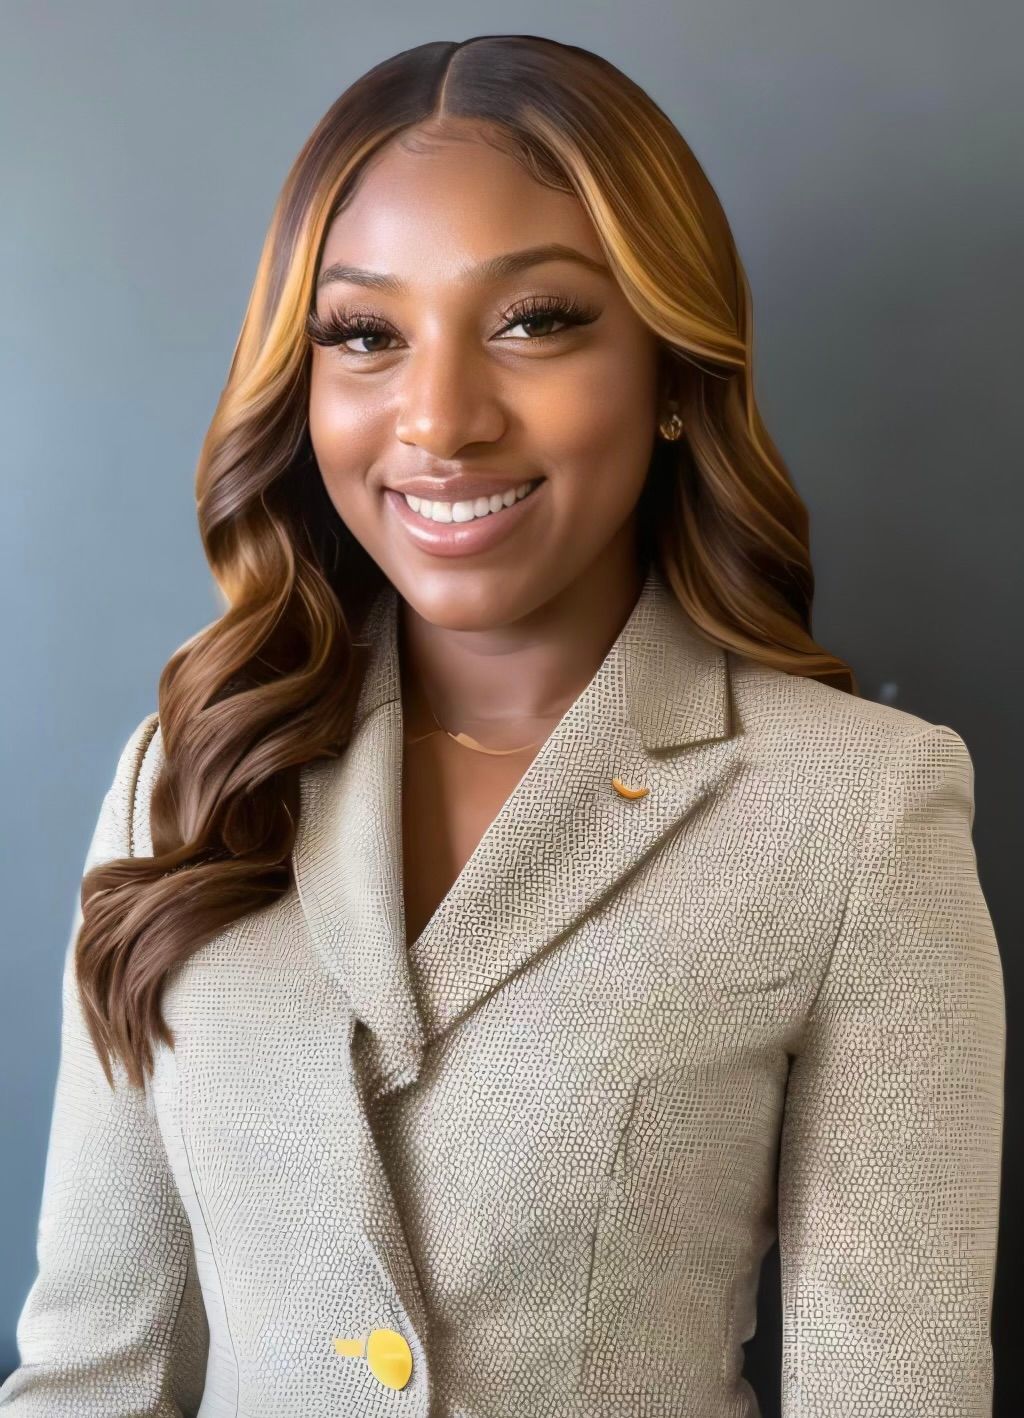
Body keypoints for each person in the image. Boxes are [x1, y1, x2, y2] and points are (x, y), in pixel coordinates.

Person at [0, 33, 1005, 1418]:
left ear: (671, 372)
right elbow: (89, 1378)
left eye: (535, 320)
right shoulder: (193, 772)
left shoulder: (858, 810)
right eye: (365, 335)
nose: (441, 418)